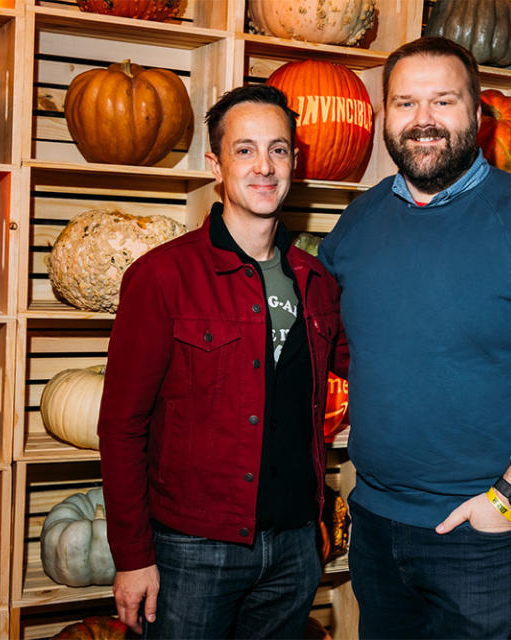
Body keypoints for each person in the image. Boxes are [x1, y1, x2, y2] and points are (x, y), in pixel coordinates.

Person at [318, 37, 511, 638]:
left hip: (481, 532)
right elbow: (347, 348)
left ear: (479, 116)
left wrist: (509, 498)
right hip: (375, 522)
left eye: (443, 102)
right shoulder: (358, 223)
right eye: (405, 104)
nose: (423, 121)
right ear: (385, 117)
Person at [98, 84, 348, 639]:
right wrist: (133, 556)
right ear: (215, 164)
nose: (265, 166)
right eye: (245, 149)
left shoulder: (317, 282)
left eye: (279, 149)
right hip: (193, 552)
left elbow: (377, 374)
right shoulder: (163, 278)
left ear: (295, 162)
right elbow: (121, 426)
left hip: (295, 548)